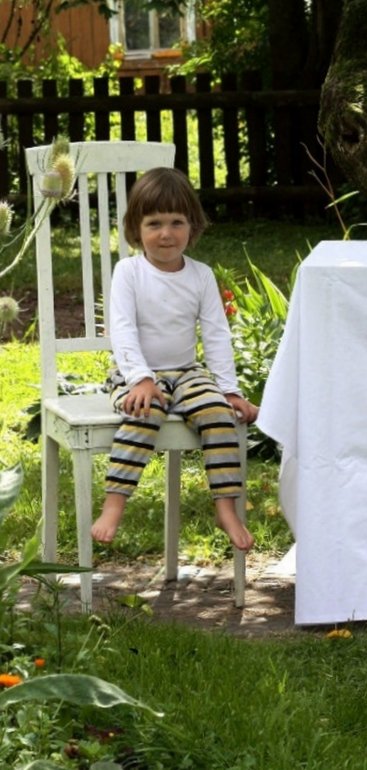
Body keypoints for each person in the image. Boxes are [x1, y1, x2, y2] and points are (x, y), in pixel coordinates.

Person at [91, 167, 257, 551]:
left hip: (186, 373)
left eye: (177, 222)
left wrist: (229, 391)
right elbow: (122, 329)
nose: (166, 233)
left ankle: (226, 506)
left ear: (193, 226)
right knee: (145, 412)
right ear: (136, 228)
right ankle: (115, 503)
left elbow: (216, 335)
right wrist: (140, 378)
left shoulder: (200, 276)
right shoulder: (129, 272)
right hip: (134, 374)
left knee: (217, 413)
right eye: (154, 223)